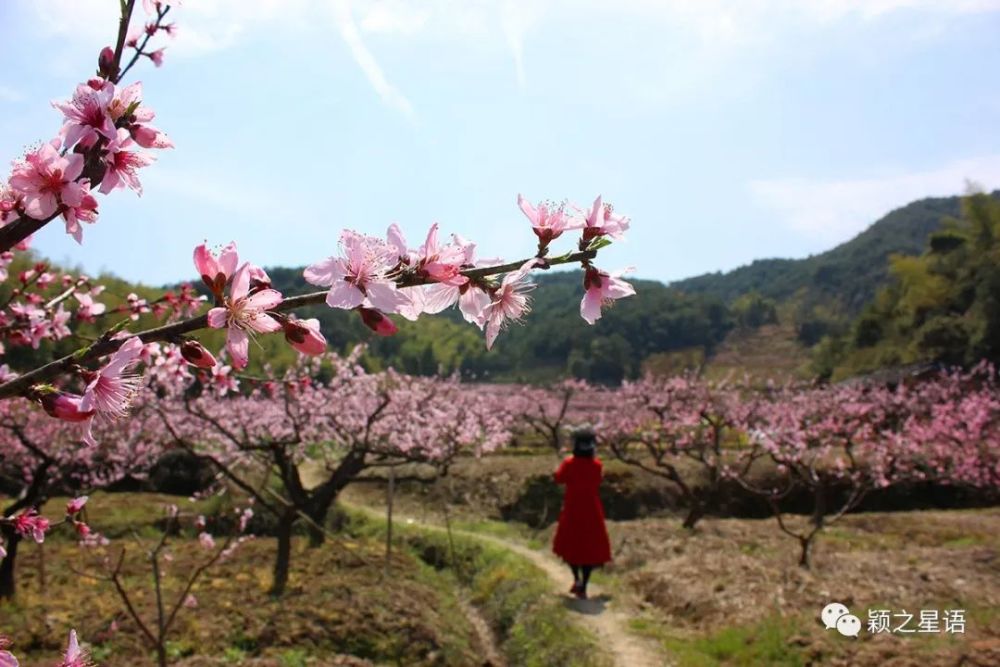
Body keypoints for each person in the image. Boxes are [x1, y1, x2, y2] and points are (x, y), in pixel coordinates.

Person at [552, 426, 612, 599]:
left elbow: (558, 478)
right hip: (592, 508)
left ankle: (576, 579)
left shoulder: (569, 463)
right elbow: (598, 480)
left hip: (573, 508)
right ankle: (584, 585)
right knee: (589, 547)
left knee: (572, 545)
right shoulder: (597, 465)